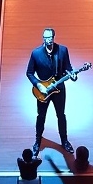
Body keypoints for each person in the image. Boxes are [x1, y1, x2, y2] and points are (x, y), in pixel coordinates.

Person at [26, 26, 76, 155]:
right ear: (43, 38)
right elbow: (29, 73)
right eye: (45, 37)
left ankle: (64, 141)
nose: (48, 40)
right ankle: (38, 140)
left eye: (50, 37)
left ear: (54, 37)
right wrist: (39, 85)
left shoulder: (63, 50)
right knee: (41, 116)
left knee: (61, 115)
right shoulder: (36, 53)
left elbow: (68, 67)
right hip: (43, 91)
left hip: (59, 89)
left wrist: (72, 74)